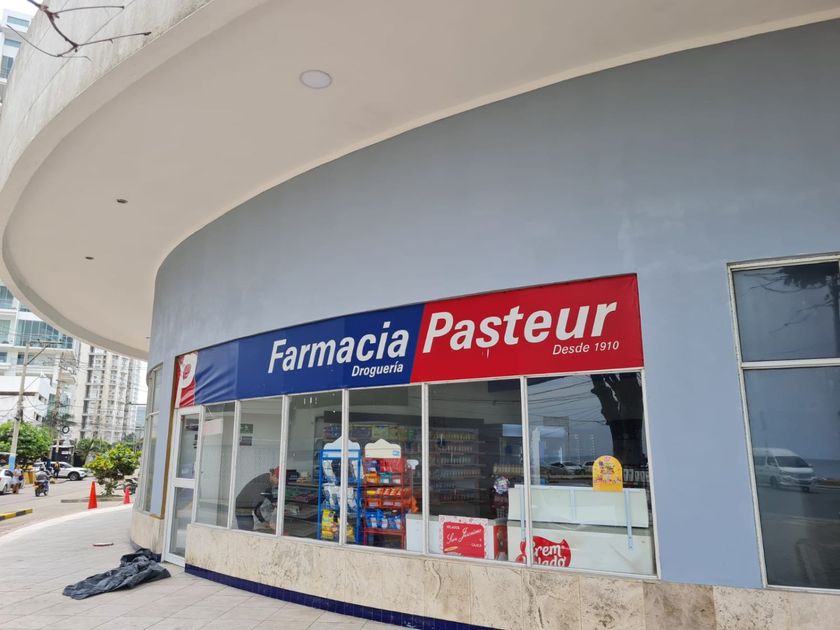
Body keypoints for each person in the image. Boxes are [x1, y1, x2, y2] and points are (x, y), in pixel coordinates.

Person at [234, 467, 279, 532]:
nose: (278, 482)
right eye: (278, 479)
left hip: (246, 505)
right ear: (273, 475)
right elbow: (256, 507)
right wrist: (265, 521)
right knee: (246, 531)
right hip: (242, 507)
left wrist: (275, 503)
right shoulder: (264, 483)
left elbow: (268, 496)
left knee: (249, 529)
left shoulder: (268, 480)